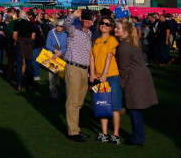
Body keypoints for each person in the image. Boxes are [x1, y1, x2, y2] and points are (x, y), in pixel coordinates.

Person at [114, 18, 158, 147]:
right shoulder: (133, 41)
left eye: (118, 28)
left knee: (134, 109)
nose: (115, 29)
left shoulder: (125, 47)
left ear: (126, 31)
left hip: (134, 79)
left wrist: (121, 83)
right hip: (141, 76)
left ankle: (137, 138)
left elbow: (124, 68)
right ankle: (137, 136)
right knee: (136, 109)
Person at [89, 16, 123, 144]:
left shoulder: (112, 40)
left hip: (112, 75)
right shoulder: (96, 40)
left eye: (107, 24)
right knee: (102, 105)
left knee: (114, 106)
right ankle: (104, 133)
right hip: (98, 77)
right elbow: (91, 58)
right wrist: (92, 74)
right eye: (102, 23)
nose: (104, 25)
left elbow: (109, 57)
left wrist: (105, 73)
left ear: (111, 27)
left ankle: (115, 134)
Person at [63, 9, 94, 142]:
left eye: (90, 20)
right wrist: (74, 15)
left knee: (79, 101)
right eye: (85, 19)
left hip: (84, 69)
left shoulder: (90, 33)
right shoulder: (73, 29)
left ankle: (76, 128)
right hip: (74, 67)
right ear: (81, 19)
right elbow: (65, 24)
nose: (88, 22)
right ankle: (73, 132)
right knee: (73, 100)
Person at [45, 18, 67, 102]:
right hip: (53, 57)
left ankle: (64, 93)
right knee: (52, 78)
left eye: (61, 26)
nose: (58, 27)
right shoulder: (51, 32)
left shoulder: (66, 34)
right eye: (57, 25)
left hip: (63, 57)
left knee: (63, 78)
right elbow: (47, 44)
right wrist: (55, 51)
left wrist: (60, 52)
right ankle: (53, 96)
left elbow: (67, 46)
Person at [13, 10, 36, 91]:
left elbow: (14, 35)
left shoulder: (17, 24)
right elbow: (33, 37)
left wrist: (17, 40)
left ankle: (18, 84)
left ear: (20, 16)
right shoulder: (32, 24)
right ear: (26, 16)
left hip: (20, 44)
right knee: (29, 65)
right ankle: (30, 84)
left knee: (19, 65)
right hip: (28, 45)